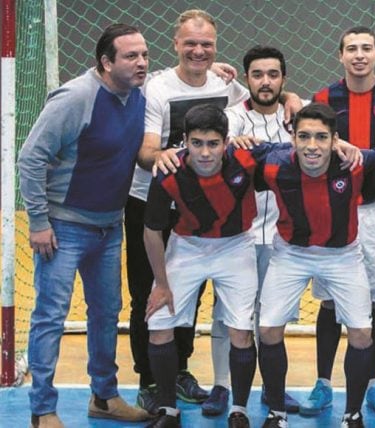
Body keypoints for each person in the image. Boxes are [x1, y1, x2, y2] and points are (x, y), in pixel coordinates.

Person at [18, 23, 151, 427]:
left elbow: (185, 75)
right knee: (50, 316)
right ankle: (42, 410)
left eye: (145, 54)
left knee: (106, 313)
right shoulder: (76, 97)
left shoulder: (139, 92)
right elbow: (30, 158)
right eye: (131, 56)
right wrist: (39, 222)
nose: (142, 62)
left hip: (110, 227)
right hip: (63, 228)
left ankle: (105, 397)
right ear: (106, 62)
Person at [125, 9, 246, 415]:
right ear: (175, 44)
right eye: (190, 43)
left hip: (200, 208)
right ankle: (149, 378)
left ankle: (178, 370)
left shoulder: (225, 85)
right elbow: (145, 150)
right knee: (150, 291)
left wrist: (292, 100)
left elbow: (262, 103)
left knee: (190, 294)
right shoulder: (157, 89)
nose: (198, 50)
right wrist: (163, 157)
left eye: (206, 44)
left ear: (215, 47)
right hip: (151, 202)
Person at [142, 104, 292, 428]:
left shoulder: (247, 158)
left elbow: (299, 150)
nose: (205, 152)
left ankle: (238, 410)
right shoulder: (168, 170)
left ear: (226, 141)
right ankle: (168, 410)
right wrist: (162, 284)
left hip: (236, 246)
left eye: (213, 143)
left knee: (240, 330)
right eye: (197, 143)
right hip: (186, 247)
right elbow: (152, 231)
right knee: (158, 326)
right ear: (185, 141)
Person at [257, 103, 375, 428]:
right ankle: (276, 413)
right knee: (267, 330)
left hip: (343, 255)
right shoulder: (272, 164)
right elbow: (238, 148)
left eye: (322, 137)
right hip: (291, 253)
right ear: (291, 137)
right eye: (304, 136)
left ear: (335, 140)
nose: (312, 145)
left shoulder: (356, 164)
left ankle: (352, 414)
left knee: (363, 334)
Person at [306, 26, 375, 416]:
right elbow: (310, 138)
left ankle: (374, 383)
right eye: (351, 48)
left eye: (366, 48)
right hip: (334, 208)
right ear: (340, 56)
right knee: (331, 300)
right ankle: (322, 382)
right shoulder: (323, 98)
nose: (359, 55)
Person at [225, 44, 303, 414]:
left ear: (284, 79)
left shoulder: (296, 120)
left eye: (273, 74)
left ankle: (275, 390)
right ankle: (223, 388)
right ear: (246, 80)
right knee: (230, 317)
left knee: (272, 318)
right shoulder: (232, 119)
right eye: (258, 74)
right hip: (237, 237)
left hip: (281, 237)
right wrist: (230, 143)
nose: (266, 81)